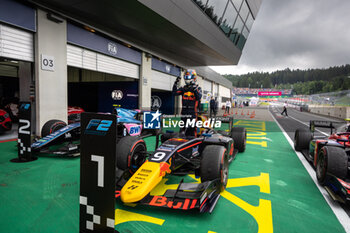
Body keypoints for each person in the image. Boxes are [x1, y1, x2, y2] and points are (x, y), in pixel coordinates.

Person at [173, 69, 202, 136]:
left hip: (192, 112)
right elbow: (174, 93)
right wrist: (175, 83)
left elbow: (198, 97)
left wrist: (194, 88)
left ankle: (194, 145)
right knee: (182, 129)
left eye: (188, 77)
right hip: (184, 111)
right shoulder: (183, 88)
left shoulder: (198, 88)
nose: (186, 79)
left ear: (193, 78)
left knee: (191, 130)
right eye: (185, 77)